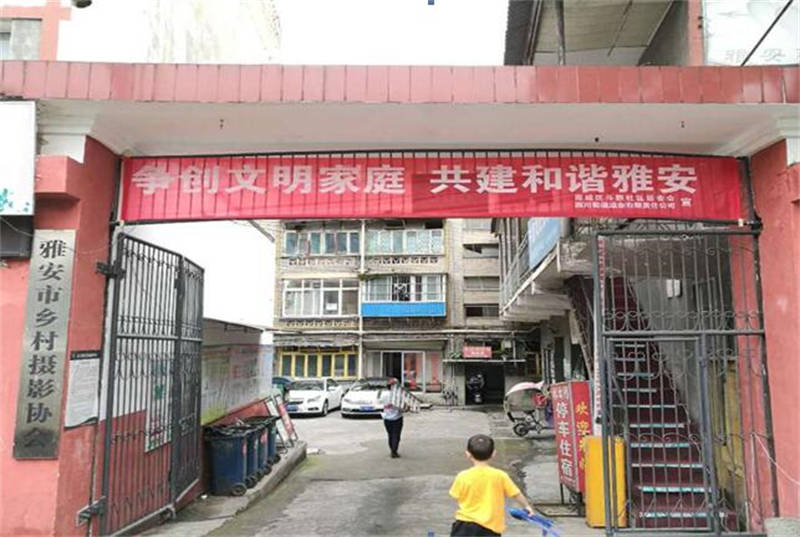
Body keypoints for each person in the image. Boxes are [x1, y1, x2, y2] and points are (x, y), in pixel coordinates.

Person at [448, 434, 535, 537]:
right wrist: (527, 506)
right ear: (494, 454)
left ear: (468, 454)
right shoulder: (500, 475)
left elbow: (456, 495)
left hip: (464, 526)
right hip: (490, 528)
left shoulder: (462, 476)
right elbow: (516, 494)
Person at [380, 377, 404, 458]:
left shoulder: (384, 394)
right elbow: (403, 407)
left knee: (390, 435)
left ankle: (392, 450)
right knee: (396, 435)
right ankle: (394, 451)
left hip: (387, 418)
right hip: (397, 418)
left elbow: (381, 404)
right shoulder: (399, 395)